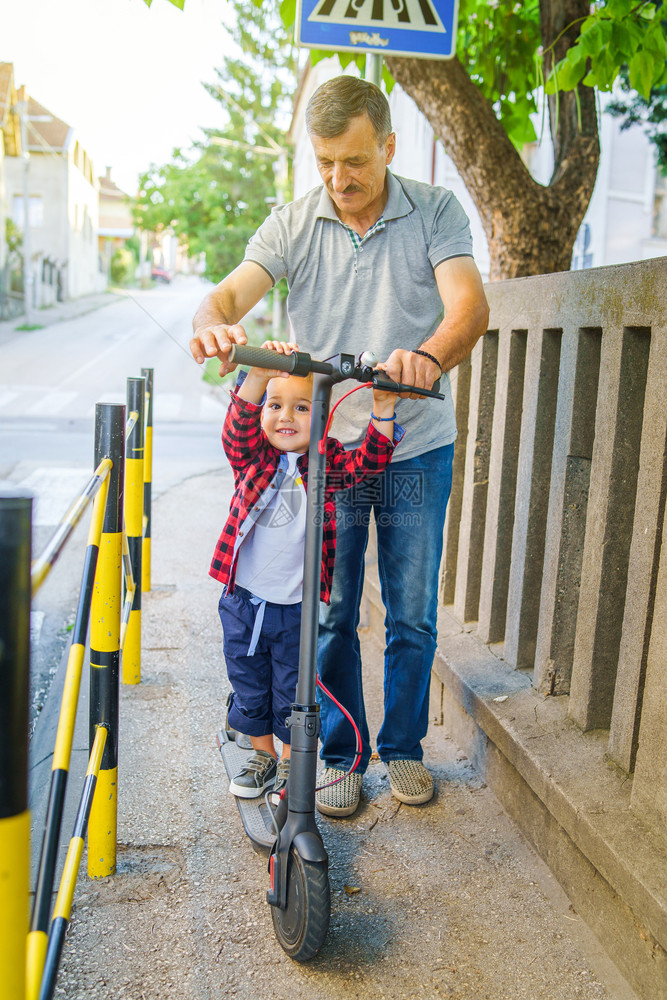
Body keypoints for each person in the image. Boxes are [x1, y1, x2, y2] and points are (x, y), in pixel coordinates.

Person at [191, 75, 489, 816]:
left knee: (412, 612)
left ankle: (402, 749)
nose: (338, 177)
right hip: (326, 454)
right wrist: (220, 324)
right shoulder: (293, 222)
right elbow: (227, 297)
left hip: (411, 445)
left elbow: (468, 307)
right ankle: (339, 753)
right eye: (324, 161)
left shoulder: (435, 211)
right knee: (328, 610)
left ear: (386, 146)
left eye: (353, 160)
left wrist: (429, 356)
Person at [213, 339, 403, 799]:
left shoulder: (326, 463)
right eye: (275, 405)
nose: (286, 417)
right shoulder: (253, 459)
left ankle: (287, 761)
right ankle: (263, 755)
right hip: (244, 603)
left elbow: (369, 462)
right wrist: (258, 370)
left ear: (321, 418)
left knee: (290, 692)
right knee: (248, 683)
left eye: (301, 407)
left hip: (295, 609)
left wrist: (383, 409)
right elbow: (236, 431)